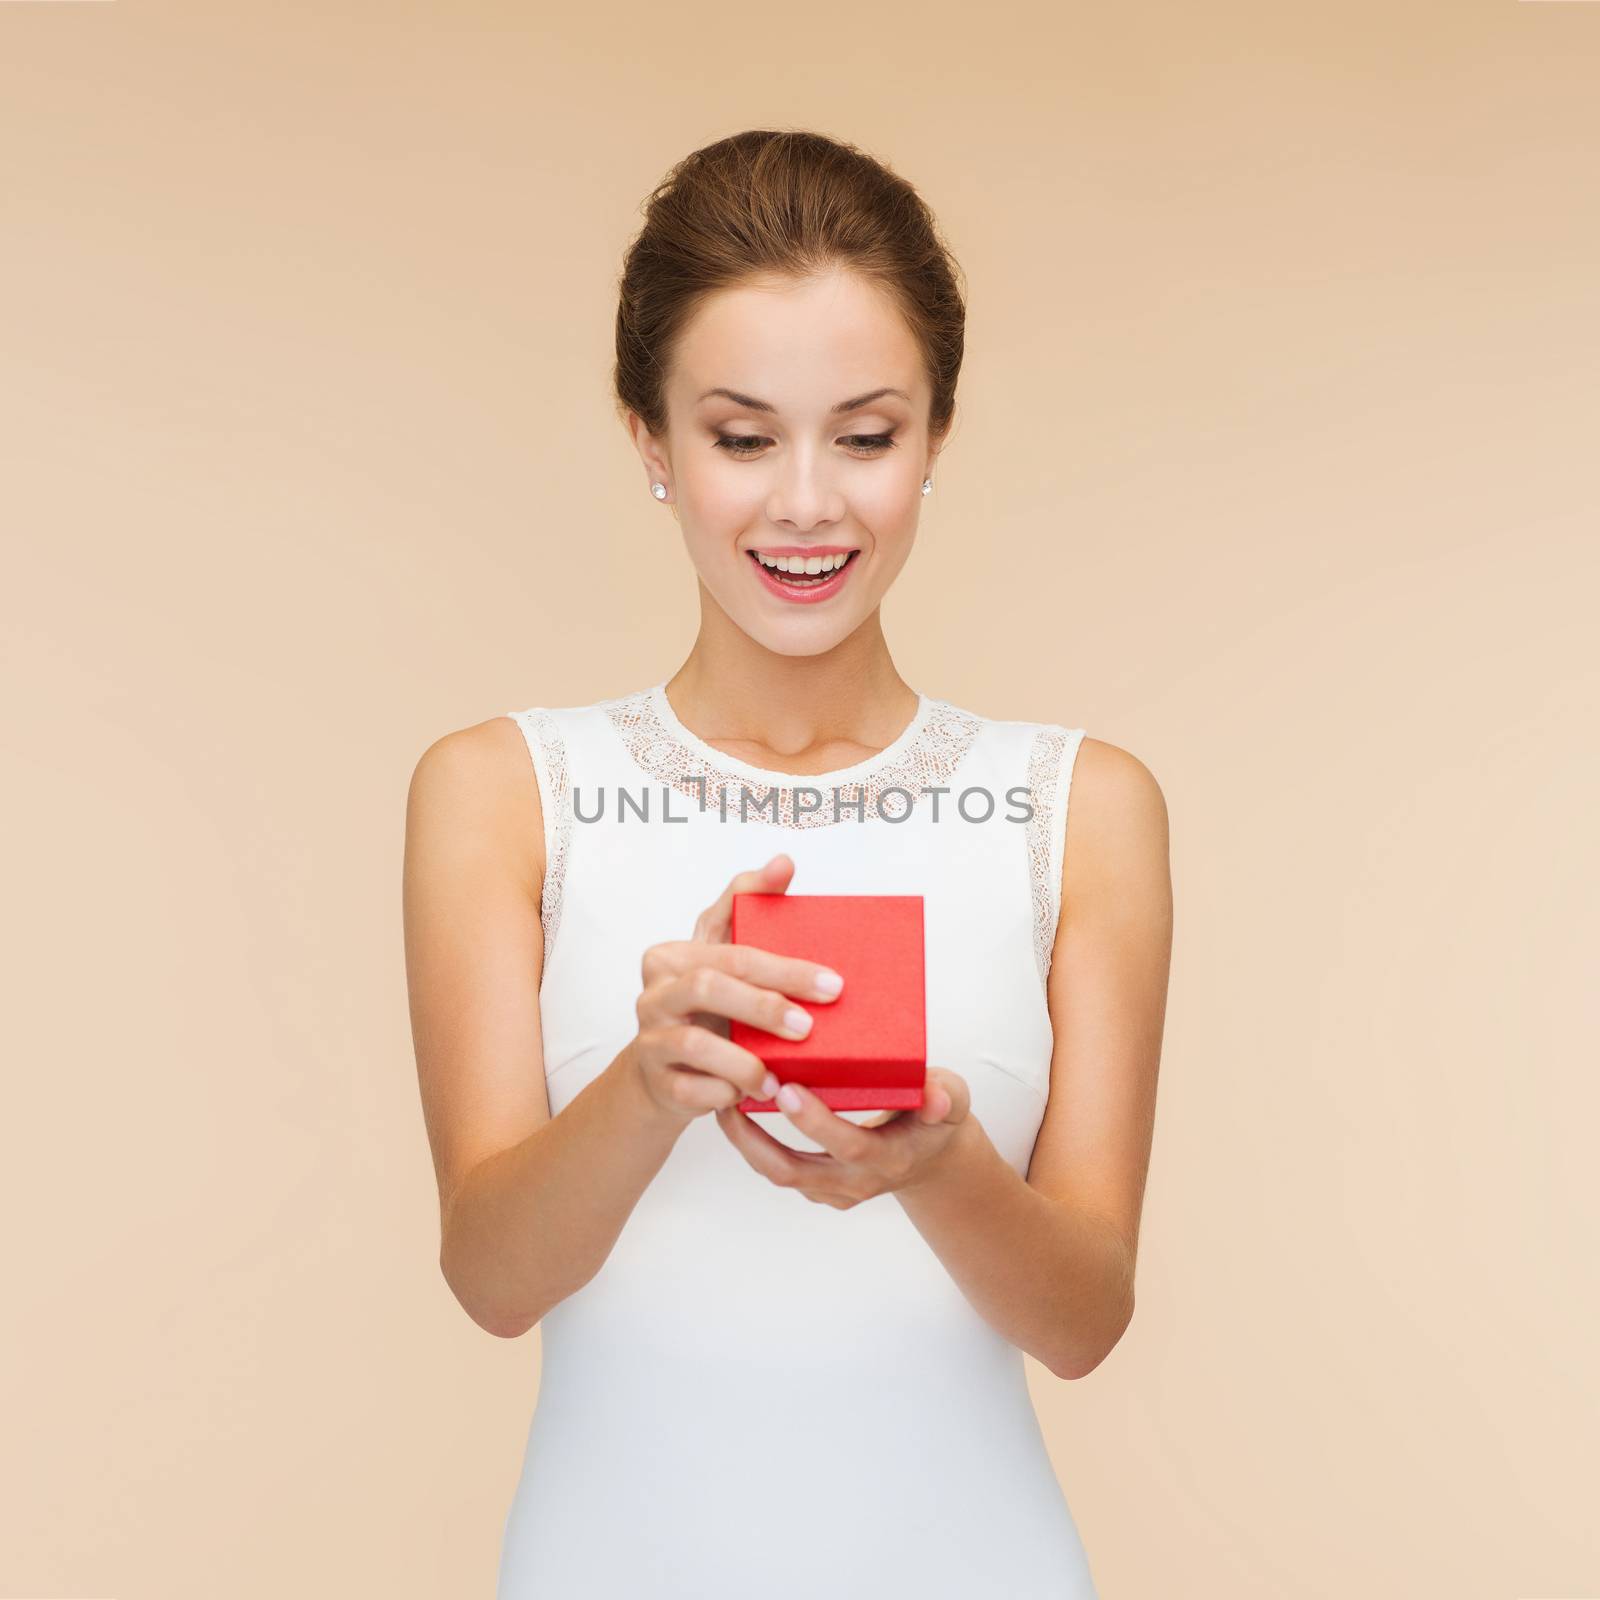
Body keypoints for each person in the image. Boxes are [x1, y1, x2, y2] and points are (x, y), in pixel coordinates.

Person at [404, 128, 1172, 1600]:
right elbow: (492, 1281)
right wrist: (643, 1090)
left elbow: (1085, 1321)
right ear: (650, 438)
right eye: (743, 436)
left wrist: (937, 1167)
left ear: (937, 436)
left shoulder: (1077, 806)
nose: (807, 503)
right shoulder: (505, 795)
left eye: (866, 435)